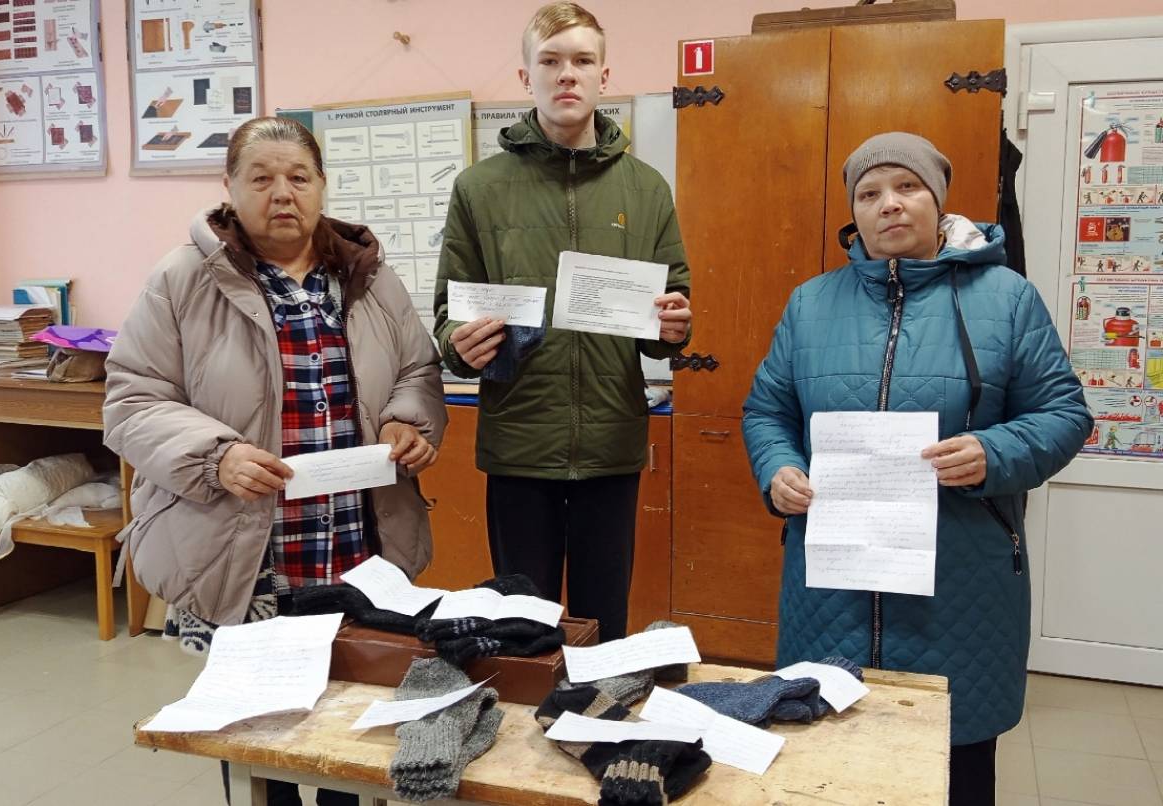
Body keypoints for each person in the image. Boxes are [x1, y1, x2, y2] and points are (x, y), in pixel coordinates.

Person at [104, 116, 446, 806]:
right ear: (229, 187)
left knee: (352, 732)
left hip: (357, 548)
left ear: (322, 186)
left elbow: (418, 369)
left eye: (298, 177)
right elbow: (132, 401)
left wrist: (406, 421)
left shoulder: (368, 277)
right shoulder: (182, 279)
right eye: (260, 178)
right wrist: (216, 456)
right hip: (243, 555)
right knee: (262, 741)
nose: (282, 193)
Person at [742, 132, 1092, 806]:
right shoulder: (811, 303)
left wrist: (993, 452)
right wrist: (778, 468)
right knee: (831, 769)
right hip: (832, 590)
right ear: (855, 213)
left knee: (953, 770)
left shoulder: (1007, 298)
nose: (889, 204)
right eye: (869, 193)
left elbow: (1064, 414)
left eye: (907, 186)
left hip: (959, 587)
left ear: (938, 200)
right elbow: (767, 411)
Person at [432, 2, 692, 642]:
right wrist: (459, 346)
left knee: (605, 624)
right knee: (523, 626)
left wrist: (675, 327)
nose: (566, 74)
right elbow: (448, 317)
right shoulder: (479, 189)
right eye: (550, 61)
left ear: (605, 75)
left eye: (582, 60)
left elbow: (673, 301)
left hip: (611, 442)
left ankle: (601, 708)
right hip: (519, 444)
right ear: (527, 78)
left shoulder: (647, 189)